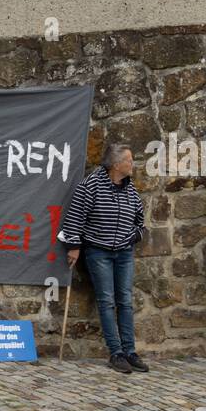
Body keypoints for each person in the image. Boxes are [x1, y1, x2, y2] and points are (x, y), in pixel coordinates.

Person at [56, 143, 148, 374]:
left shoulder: (130, 188)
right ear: (117, 165)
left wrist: (134, 236)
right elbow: (75, 217)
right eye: (128, 160)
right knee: (107, 301)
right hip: (99, 252)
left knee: (125, 301)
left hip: (124, 252)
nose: (132, 163)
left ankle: (130, 351)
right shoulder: (90, 186)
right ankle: (115, 353)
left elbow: (140, 219)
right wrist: (74, 247)